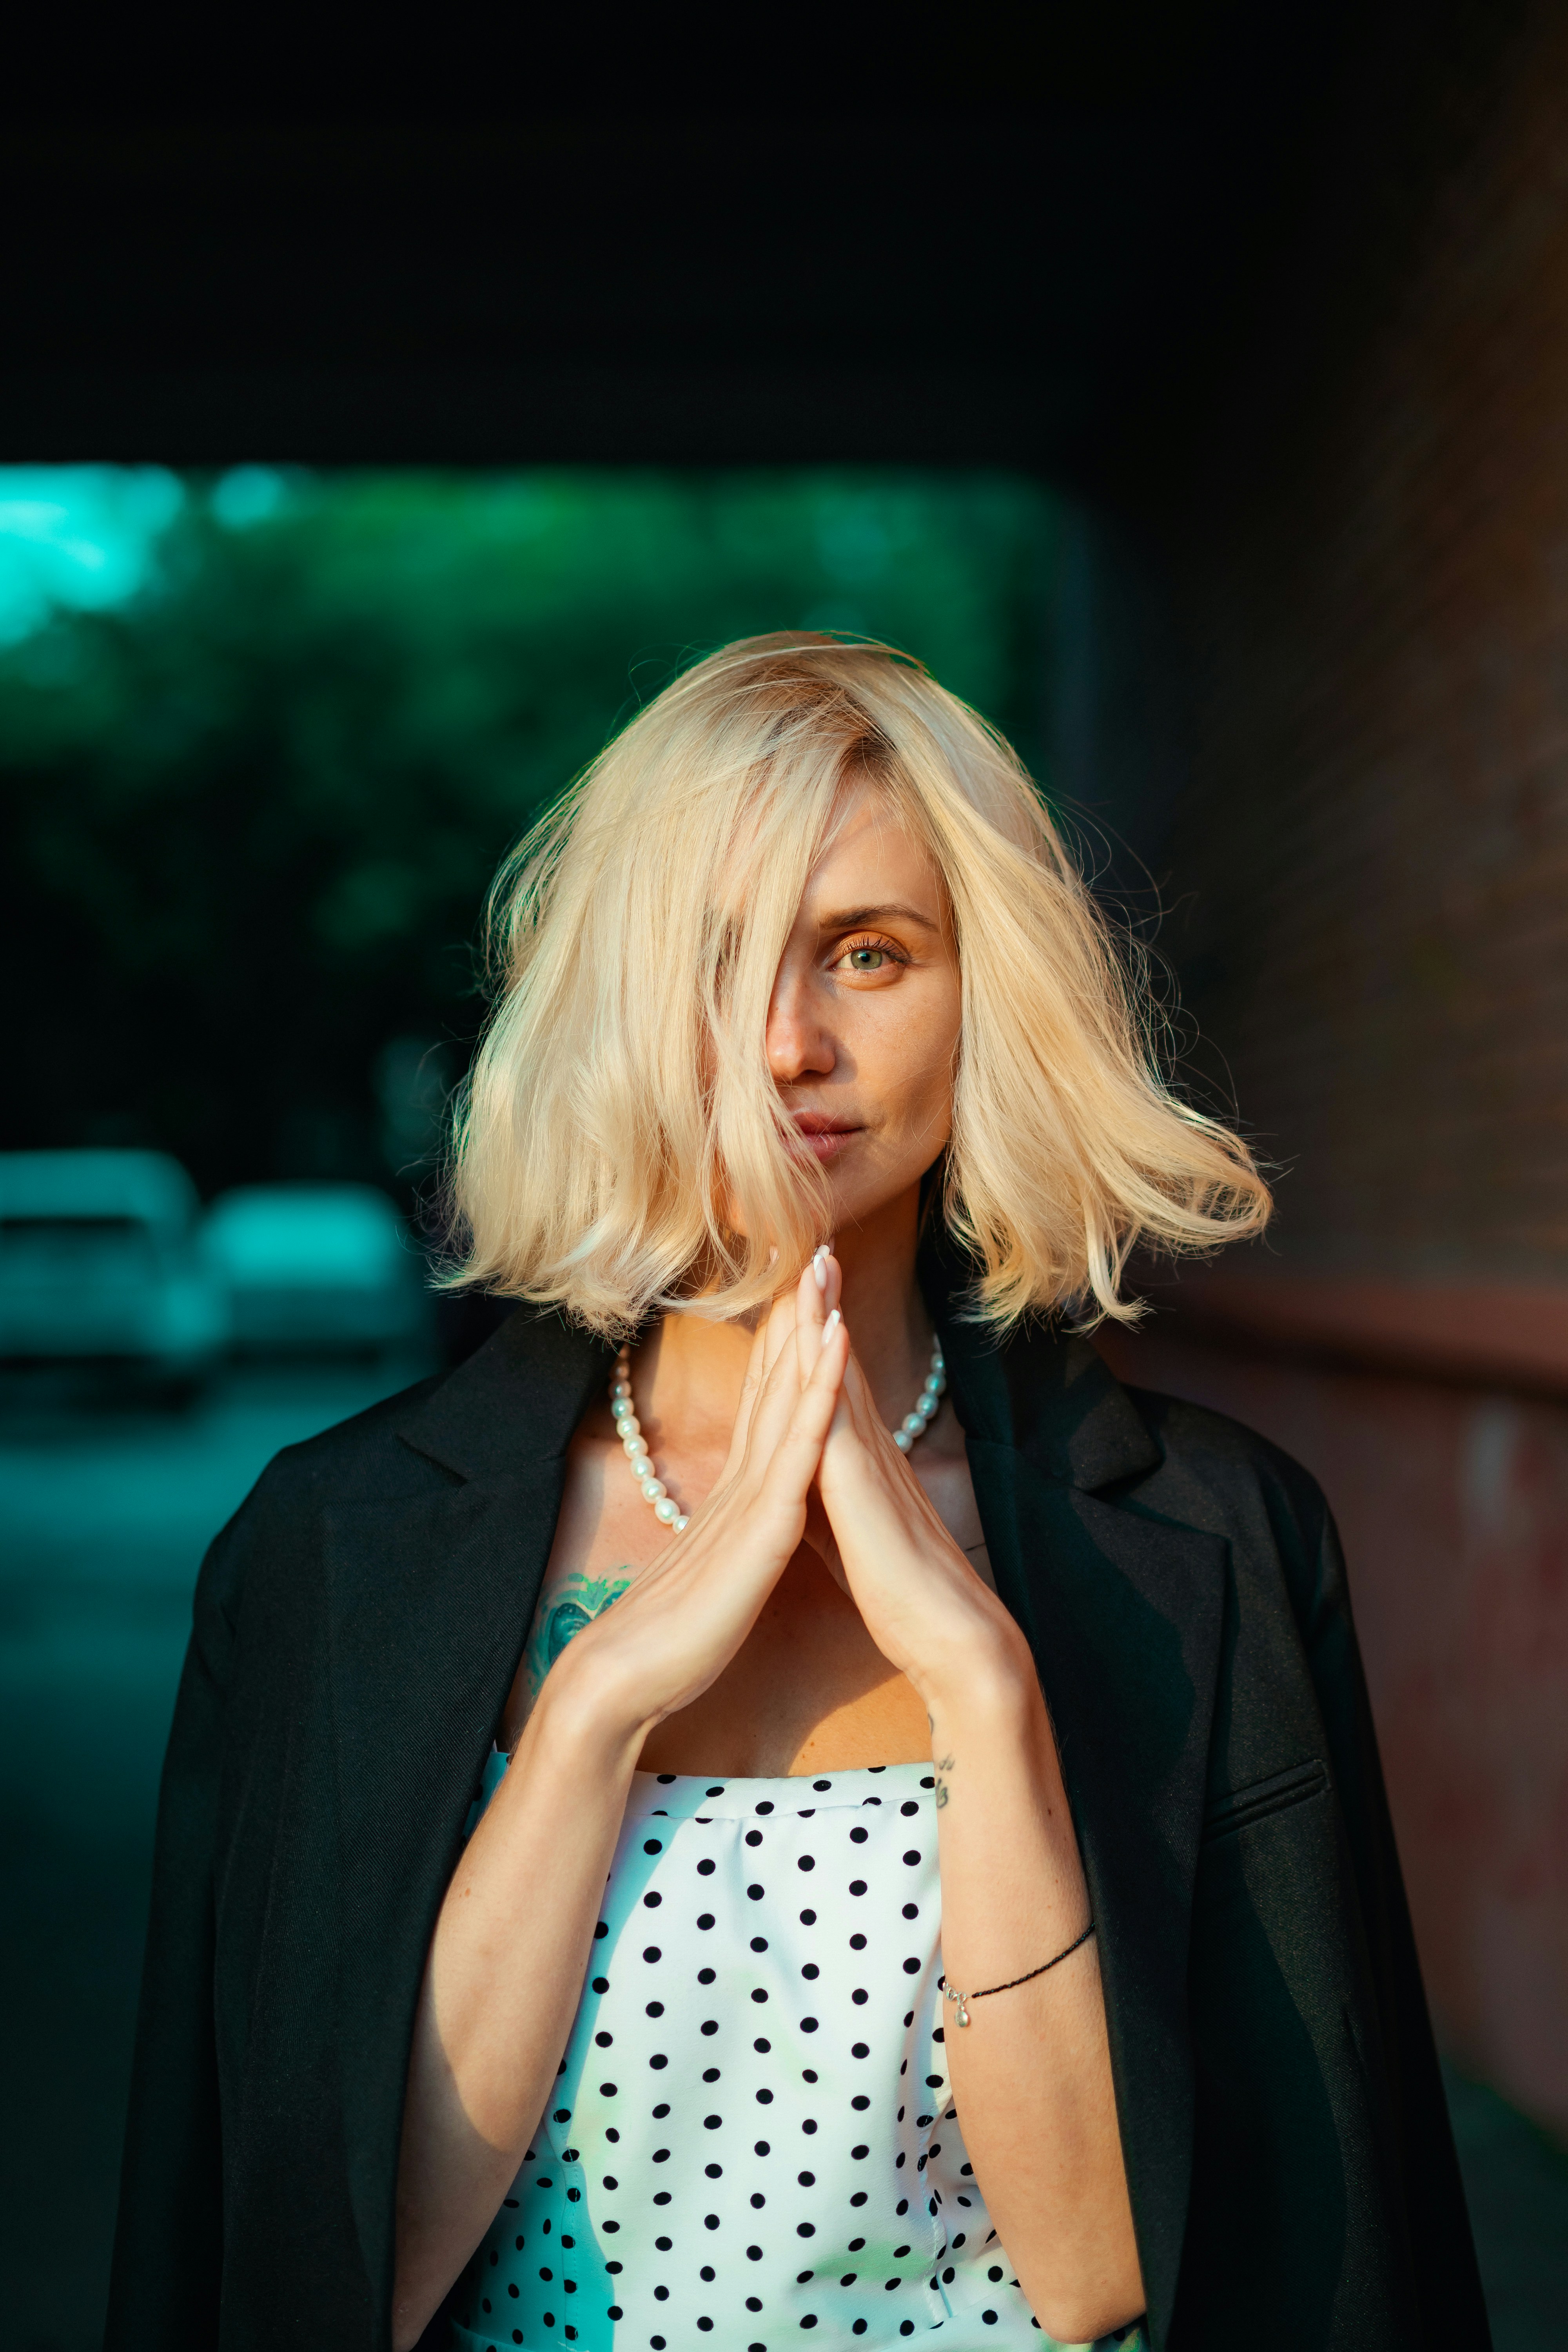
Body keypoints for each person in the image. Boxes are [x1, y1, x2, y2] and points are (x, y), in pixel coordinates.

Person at [105, 635, 1488, 2352]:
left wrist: (986, 1692)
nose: (784, 1041)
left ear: (990, 990)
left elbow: (1107, 2276)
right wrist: (597, 1710)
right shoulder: (326, 1551)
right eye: (711, 958)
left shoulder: (1221, 1539)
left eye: (868, 952)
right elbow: (329, 2273)